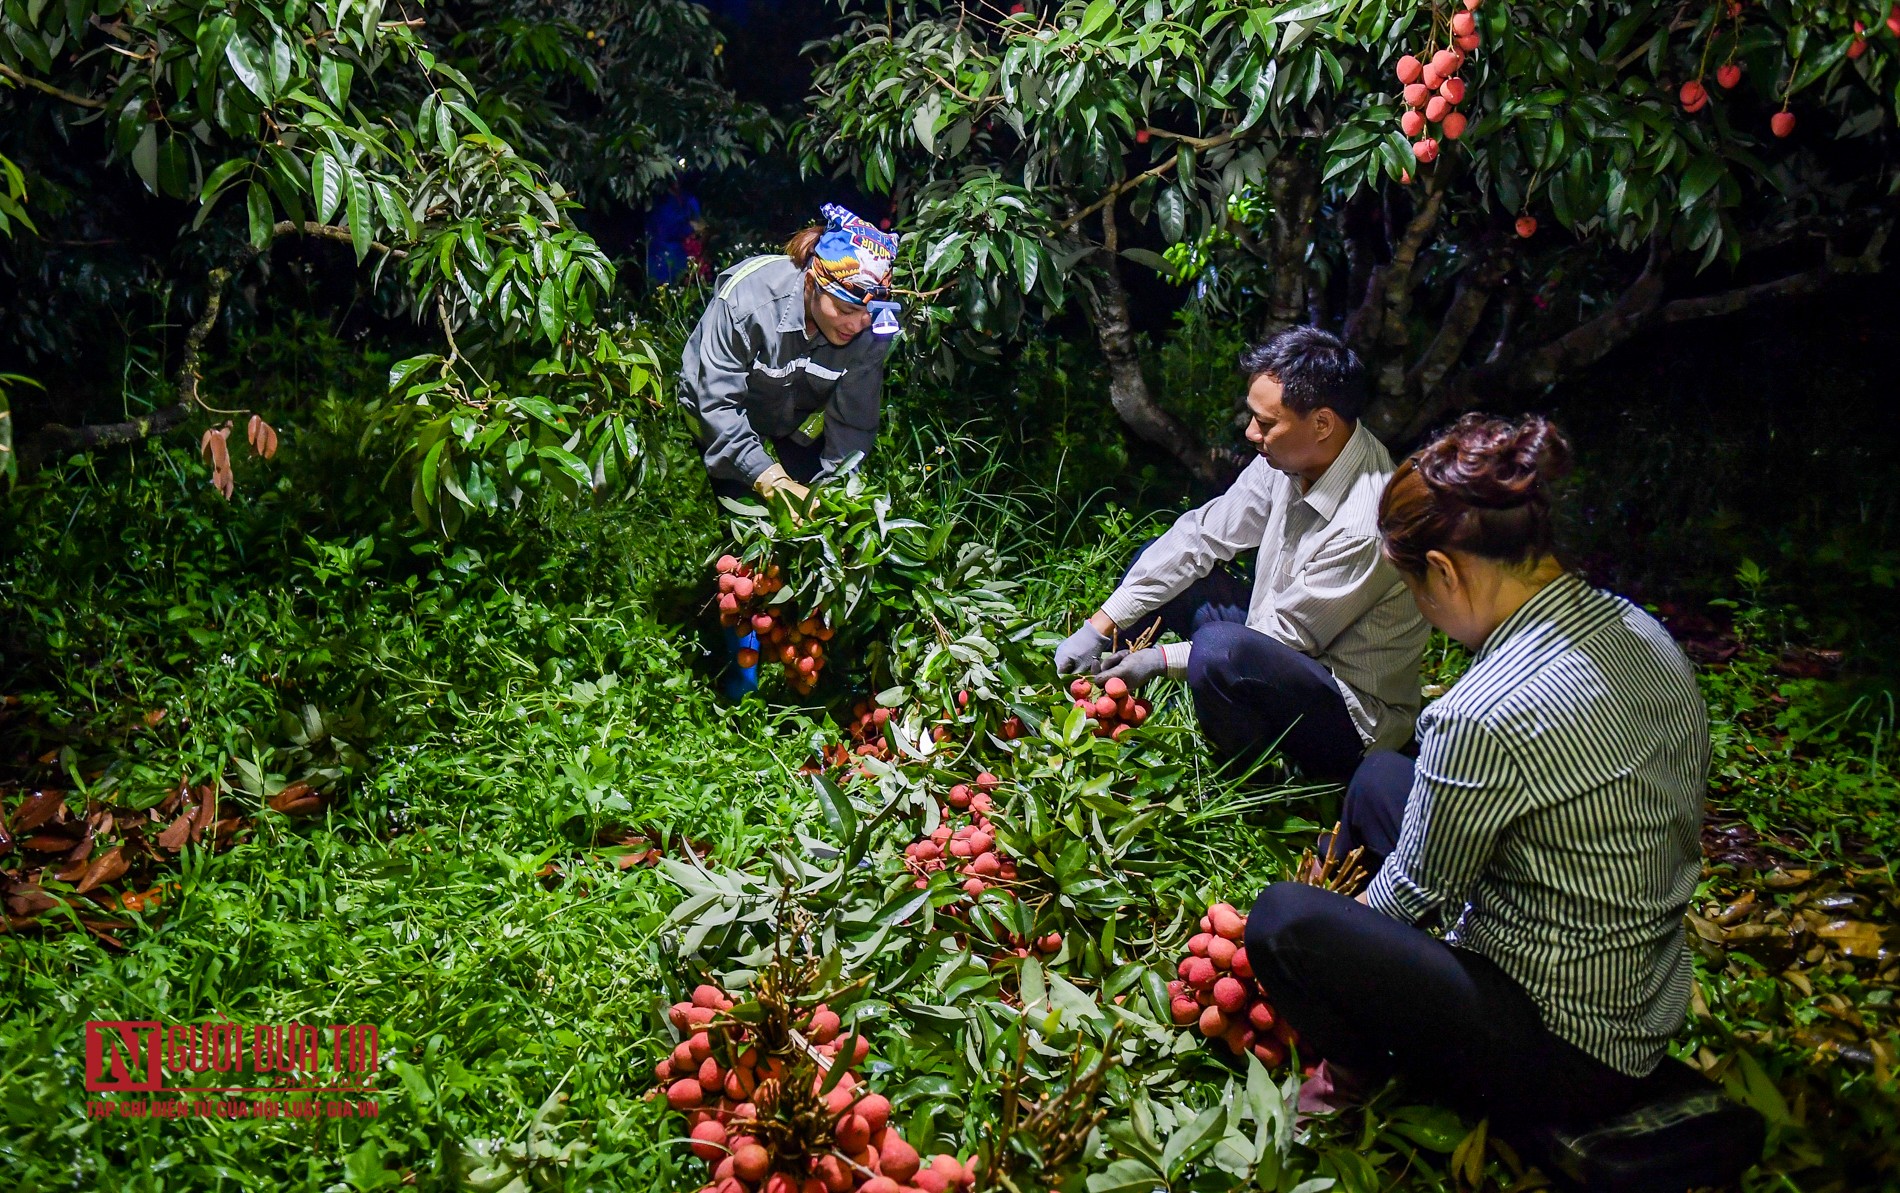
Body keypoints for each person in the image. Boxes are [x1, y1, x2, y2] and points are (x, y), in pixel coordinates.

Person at [1242, 414, 1710, 1143]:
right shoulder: (1643, 631)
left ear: (1448, 571)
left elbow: (1412, 899)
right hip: (1636, 992)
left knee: (1282, 922)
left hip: (1565, 1046)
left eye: (1415, 590)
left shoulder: (1480, 713)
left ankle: (1356, 1066)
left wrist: (1333, 925)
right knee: (1379, 776)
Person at [1052, 327, 1429, 779]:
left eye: (1266, 424)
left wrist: (1159, 660)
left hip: (1347, 714)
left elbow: (1284, 640)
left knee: (1219, 651)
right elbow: (1203, 538)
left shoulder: (1367, 522)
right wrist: (1100, 625)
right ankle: (1107, 691)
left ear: (1322, 423)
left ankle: (1263, 777)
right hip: (1279, 637)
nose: (1251, 432)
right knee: (1159, 563)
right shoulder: (1293, 458)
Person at [679, 203, 901, 696]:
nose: (857, 323)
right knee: (748, 543)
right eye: (845, 309)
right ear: (812, 283)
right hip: (721, 411)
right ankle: (740, 682)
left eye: (868, 312)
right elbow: (718, 409)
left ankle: (813, 666)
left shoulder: (868, 332)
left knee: (816, 536)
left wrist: (833, 497)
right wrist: (771, 480)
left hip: (793, 414)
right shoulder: (747, 303)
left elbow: (853, 426)